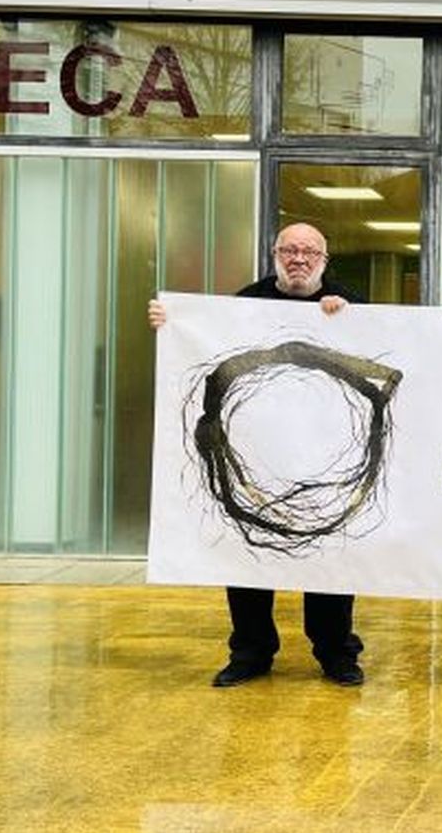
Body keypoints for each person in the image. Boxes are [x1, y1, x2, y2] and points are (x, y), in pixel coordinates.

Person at [147, 222, 367, 688]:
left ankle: (335, 653)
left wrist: (350, 319)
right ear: (275, 255)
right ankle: (250, 652)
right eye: (290, 250)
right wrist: (171, 323)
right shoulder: (244, 304)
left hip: (325, 454)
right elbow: (202, 344)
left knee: (330, 558)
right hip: (255, 454)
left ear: (325, 262)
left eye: (310, 252)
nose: (299, 259)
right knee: (245, 554)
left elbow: (381, 346)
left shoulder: (350, 305)